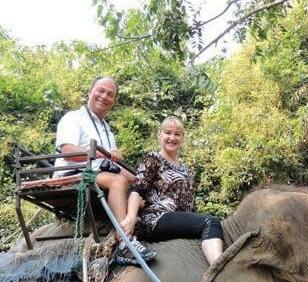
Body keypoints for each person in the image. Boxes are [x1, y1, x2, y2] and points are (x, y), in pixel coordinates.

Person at [54, 76, 154, 261]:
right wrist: (101, 154)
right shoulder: (74, 117)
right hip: (75, 173)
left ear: (114, 101)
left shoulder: (107, 129)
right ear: (90, 92)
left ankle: (143, 223)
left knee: (139, 184)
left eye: (110, 94)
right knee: (119, 181)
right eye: (100, 90)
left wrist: (140, 179)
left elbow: (111, 164)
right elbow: (67, 151)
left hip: (99, 172)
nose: (104, 96)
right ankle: (125, 242)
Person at [125, 116, 224, 265]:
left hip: (178, 219)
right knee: (211, 222)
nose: (172, 138)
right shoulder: (153, 159)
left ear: (182, 138)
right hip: (157, 219)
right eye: (168, 133)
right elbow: (137, 190)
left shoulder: (188, 171)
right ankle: (218, 270)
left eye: (177, 134)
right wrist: (131, 217)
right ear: (160, 135)